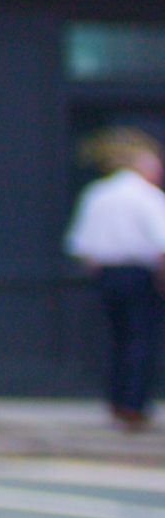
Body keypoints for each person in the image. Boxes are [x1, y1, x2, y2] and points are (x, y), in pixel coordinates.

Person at [65, 126, 165, 433]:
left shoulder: (97, 193)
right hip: (139, 273)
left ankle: (118, 402)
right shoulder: (146, 196)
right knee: (140, 340)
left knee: (116, 338)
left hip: (106, 275)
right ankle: (133, 406)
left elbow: (80, 244)